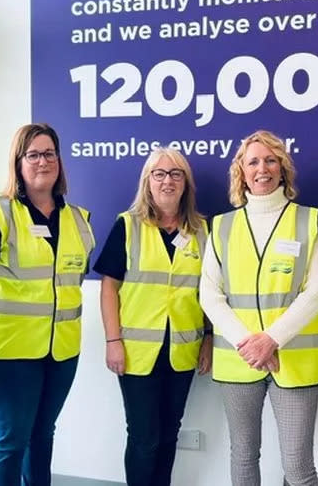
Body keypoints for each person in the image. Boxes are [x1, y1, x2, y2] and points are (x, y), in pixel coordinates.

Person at [200, 130, 318, 486]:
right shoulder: (222, 226)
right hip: (239, 360)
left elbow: (316, 293)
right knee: (243, 456)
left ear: (283, 168)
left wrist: (271, 340)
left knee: (299, 469)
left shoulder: (311, 220)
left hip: (294, 360)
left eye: (271, 160)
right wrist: (251, 344)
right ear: (241, 171)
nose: (263, 168)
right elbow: (210, 295)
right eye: (253, 161)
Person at [0, 123, 94, 486]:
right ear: (18, 162)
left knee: (43, 434)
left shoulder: (79, 219)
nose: (43, 161)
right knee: (12, 439)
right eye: (33, 154)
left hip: (60, 350)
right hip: (8, 351)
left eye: (49, 153)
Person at [94, 147, 213, 486]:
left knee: (169, 432)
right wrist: (113, 341)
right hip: (136, 351)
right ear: (147, 181)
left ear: (186, 183)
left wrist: (208, 338)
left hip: (182, 349)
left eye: (176, 174)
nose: (167, 181)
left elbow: (210, 293)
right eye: (159, 174)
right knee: (144, 436)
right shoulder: (128, 226)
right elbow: (108, 289)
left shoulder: (203, 231)